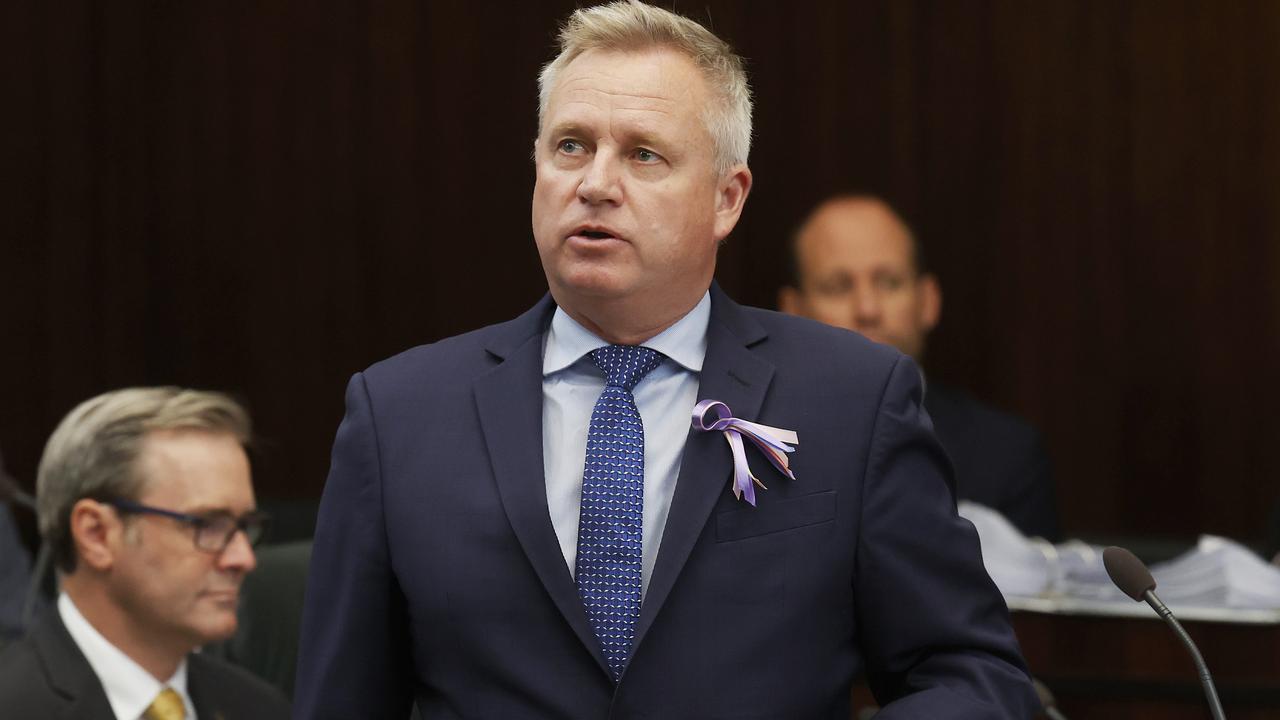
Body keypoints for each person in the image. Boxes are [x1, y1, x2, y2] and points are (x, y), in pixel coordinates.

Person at [294, 2, 1039, 718]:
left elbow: (972, 675)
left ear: (726, 198)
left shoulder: (852, 398)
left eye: (642, 154)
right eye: (570, 146)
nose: (593, 184)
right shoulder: (399, 416)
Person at [779, 195, 1060, 541]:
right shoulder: (750, 445)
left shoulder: (1006, 456)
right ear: (791, 311)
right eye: (838, 287)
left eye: (889, 283)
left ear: (928, 301)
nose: (868, 309)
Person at [0, 387, 291, 719]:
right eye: (206, 524)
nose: (243, 558)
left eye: (245, 525)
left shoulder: (260, 708)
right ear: (96, 535)